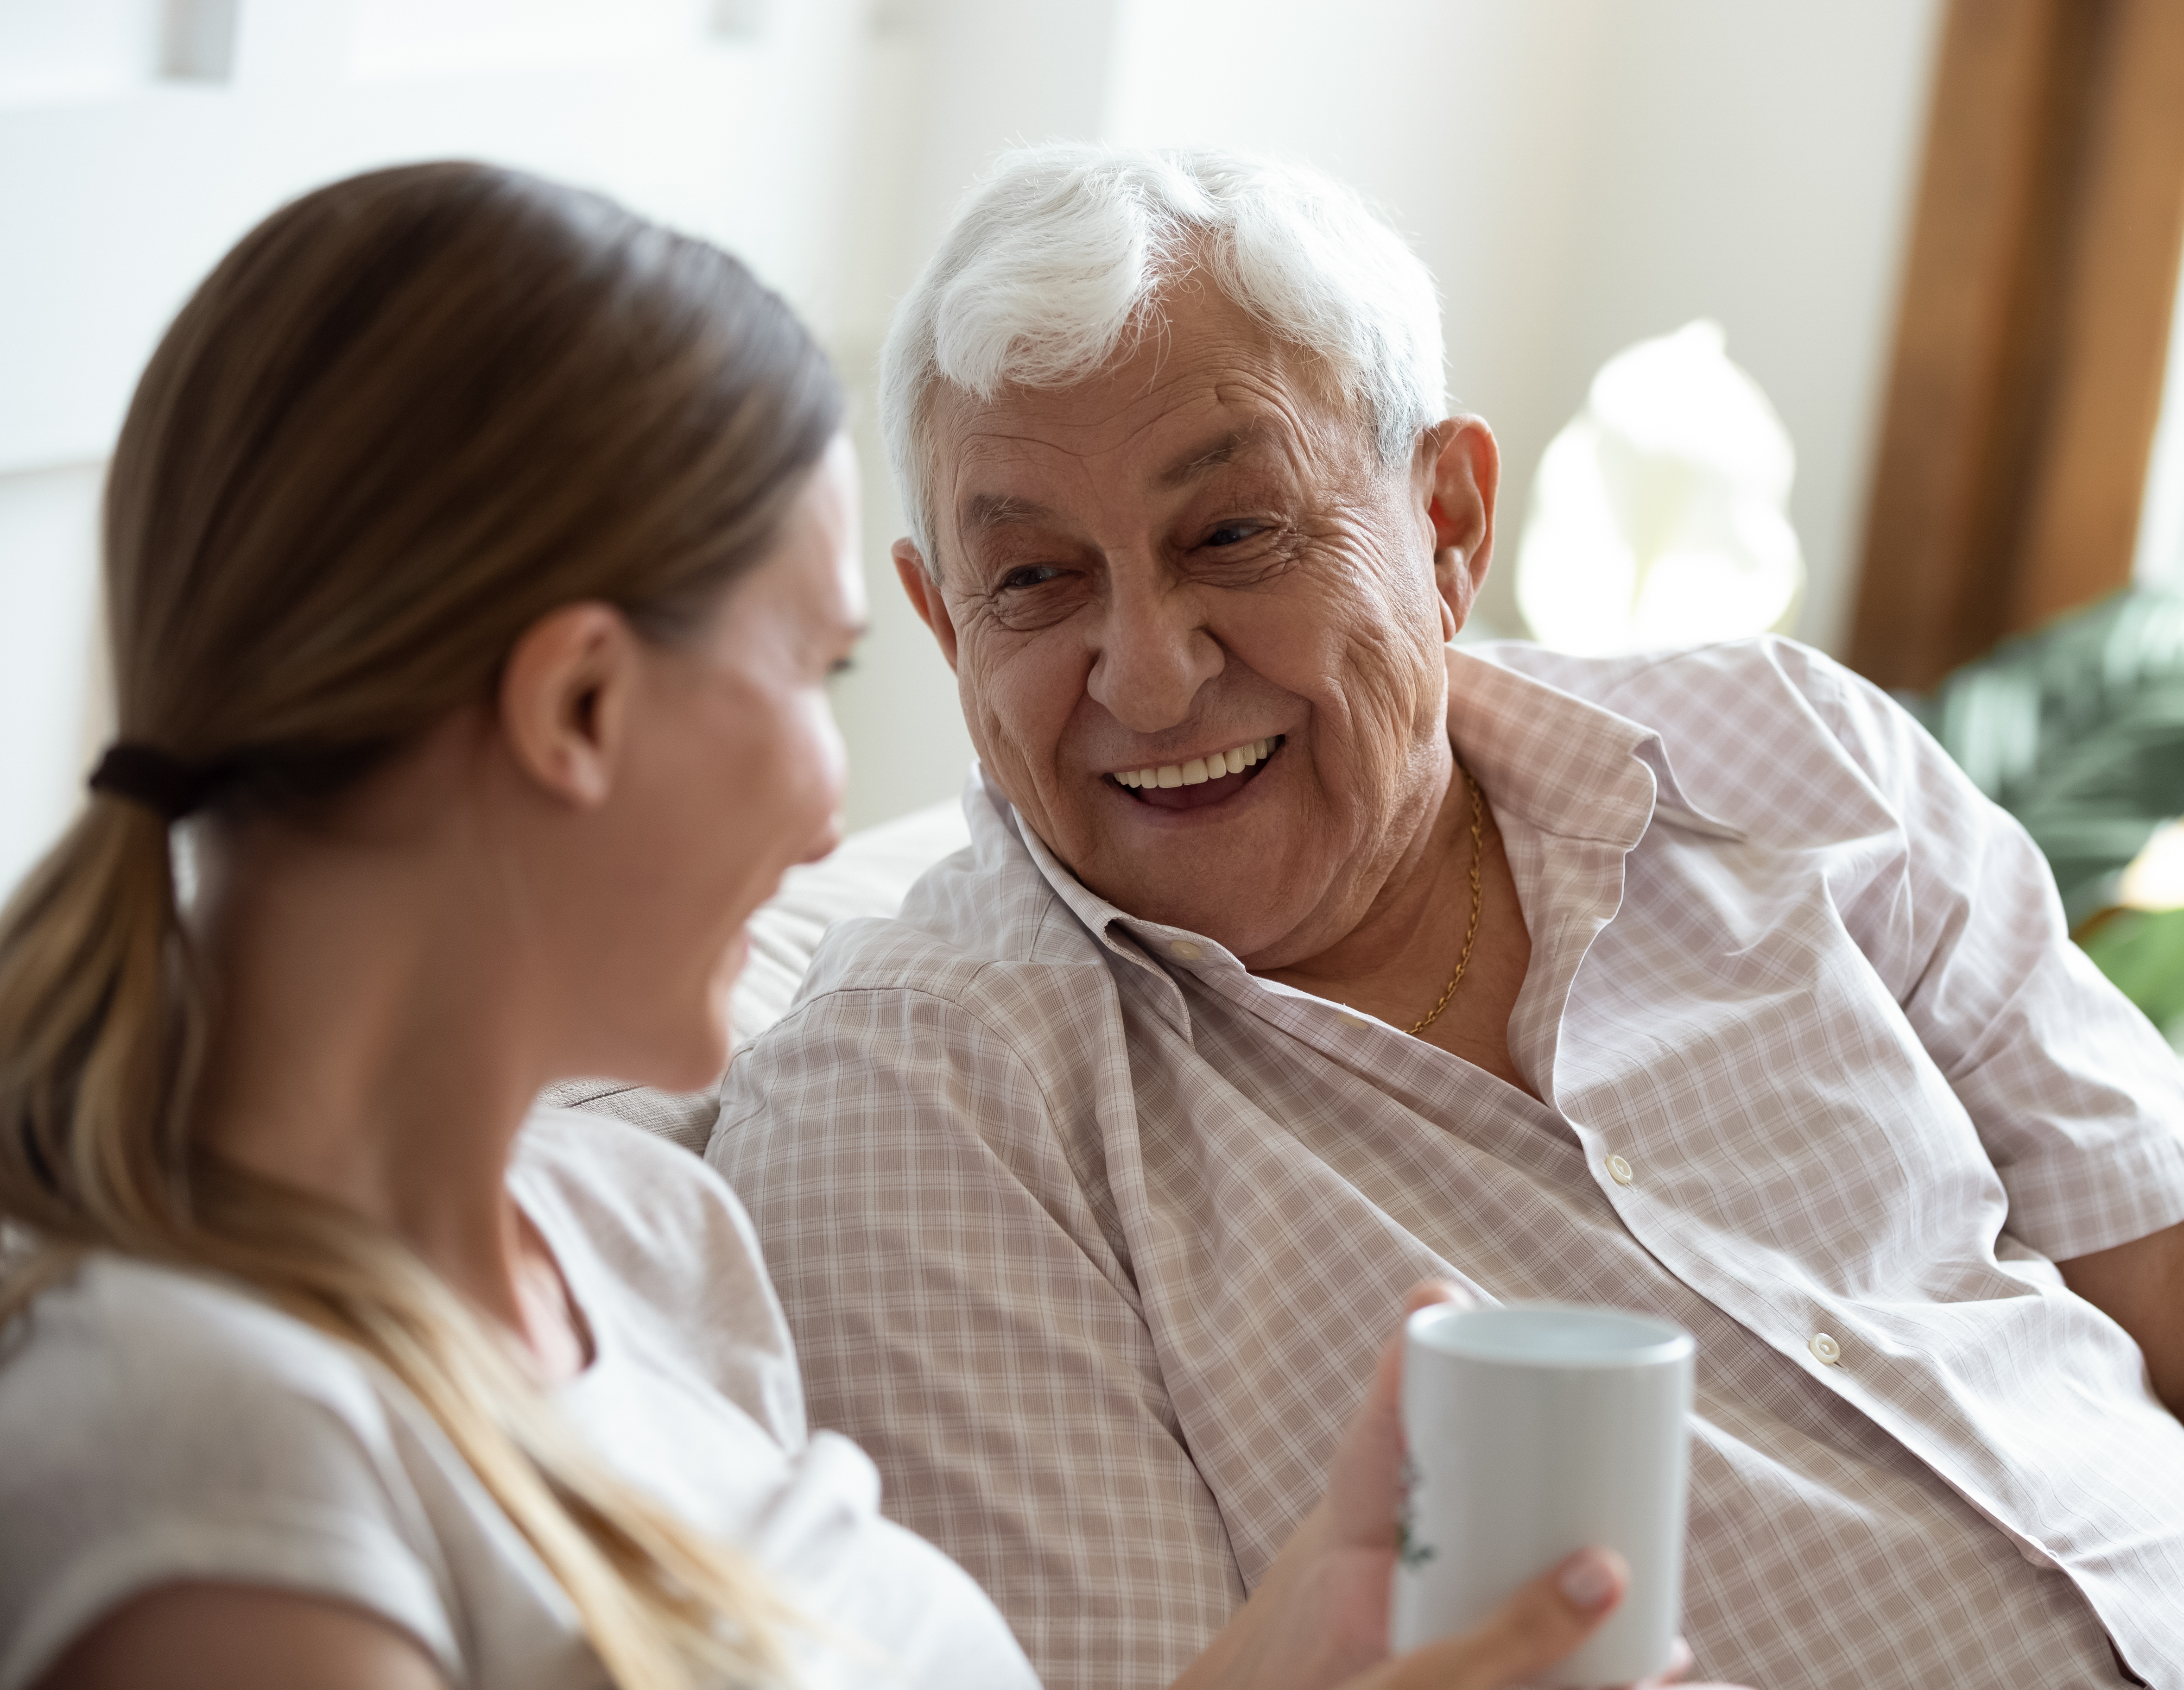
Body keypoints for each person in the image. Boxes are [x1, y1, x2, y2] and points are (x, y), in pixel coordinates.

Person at [708, 143, 2184, 1690]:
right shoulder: (924, 1110)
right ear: (947, 632)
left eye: (1236, 535)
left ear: (1447, 519)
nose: (1154, 675)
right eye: (1037, 580)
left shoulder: (1789, 758)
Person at [0, 162, 1703, 1690]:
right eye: (820, 673)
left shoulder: (635, 1236)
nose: (836, 816)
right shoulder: (219, 1447)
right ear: (579, 709)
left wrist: (1312, 1643)